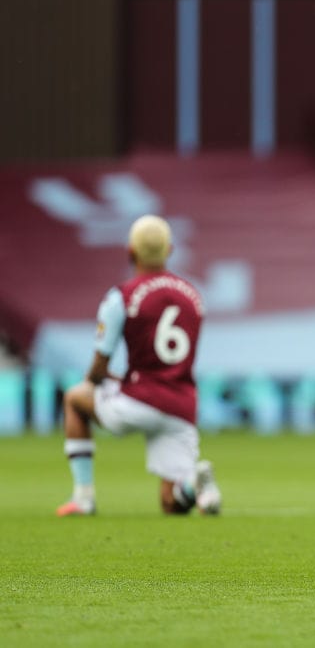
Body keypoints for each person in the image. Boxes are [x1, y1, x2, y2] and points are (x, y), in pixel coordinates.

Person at [57, 215, 221, 516]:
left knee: (75, 399)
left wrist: (107, 380)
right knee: (172, 505)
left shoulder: (121, 297)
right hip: (181, 407)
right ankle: (191, 484)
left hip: (138, 401)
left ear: (130, 251)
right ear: (169, 250)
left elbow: (97, 369)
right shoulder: (193, 296)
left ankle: (83, 498)